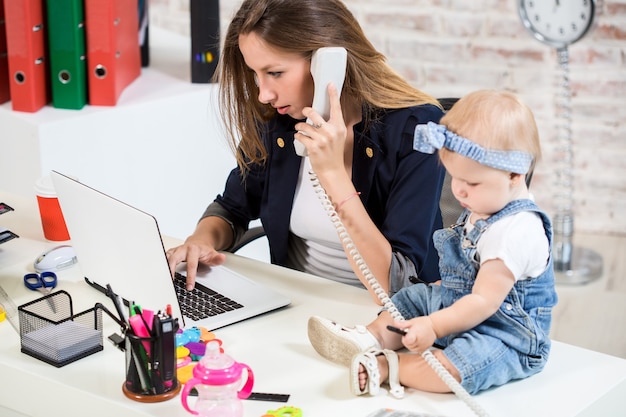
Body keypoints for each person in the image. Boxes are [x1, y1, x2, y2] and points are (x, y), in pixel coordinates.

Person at [166, 0, 447, 303]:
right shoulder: (281, 122)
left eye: (275, 72)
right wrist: (200, 241)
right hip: (295, 306)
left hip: (385, 319)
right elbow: (232, 209)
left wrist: (332, 175)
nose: (263, 94)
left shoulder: (417, 129)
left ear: (328, 62)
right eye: (256, 74)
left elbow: (398, 284)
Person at [307, 90, 558, 397]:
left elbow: (484, 301)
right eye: (454, 179)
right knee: (412, 299)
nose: (460, 193)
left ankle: (389, 366)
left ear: (515, 174)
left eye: (472, 183)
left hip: (503, 334)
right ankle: (370, 337)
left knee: (455, 368)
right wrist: (438, 298)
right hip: (459, 306)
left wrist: (434, 327)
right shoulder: (485, 205)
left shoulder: (515, 231)